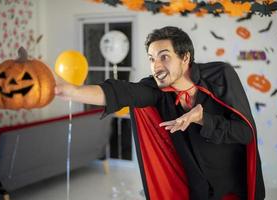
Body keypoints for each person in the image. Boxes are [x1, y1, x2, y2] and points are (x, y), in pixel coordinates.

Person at [55, 26, 265, 200]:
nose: (156, 66)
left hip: (234, 189)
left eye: (164, 57)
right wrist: (74, 91)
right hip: (198, 192)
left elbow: (245, 132)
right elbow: (121, 93)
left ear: (185, 57)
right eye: (151, 58)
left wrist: (203, 119)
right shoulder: (156, 89)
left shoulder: (220, 75)